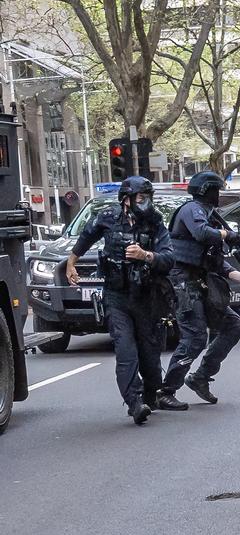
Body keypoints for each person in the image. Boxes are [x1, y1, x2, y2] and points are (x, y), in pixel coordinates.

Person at [66, 177, 176, 423]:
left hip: (146, 297)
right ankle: (134, 402)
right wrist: (71, 262)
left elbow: (169, 259)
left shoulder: (155, 222)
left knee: (150, 354)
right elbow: (85, 238)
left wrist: (146, 255)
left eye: (148, 198)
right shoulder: (107, 217)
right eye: (141, 198)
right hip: (116, 296)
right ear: (126, 199)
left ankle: (150, 395)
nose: (145, 203)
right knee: (126, 351)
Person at [156, 171, 240, 408]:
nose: (218, 195)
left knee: (234, 324)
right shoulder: (192, 209)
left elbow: (214, 261)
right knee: (195, 336)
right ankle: (166, 391)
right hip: (183, 280)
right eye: (216, 190)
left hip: (201, 280)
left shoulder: (209, 215)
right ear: (207, 190)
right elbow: (202, 234)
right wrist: (227, 234)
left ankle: (201, 377)